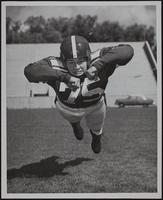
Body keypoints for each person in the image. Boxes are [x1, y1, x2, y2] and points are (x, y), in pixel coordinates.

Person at [24, 35, 134, 154]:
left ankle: (96, 137)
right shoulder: (56, 65)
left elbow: (128, 51)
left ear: (88, 57)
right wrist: (64, 77)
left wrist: (98, 65)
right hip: (67, 107)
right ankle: (75, 124)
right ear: (63, 60)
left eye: (81, 61)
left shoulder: (99, 59)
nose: (76, 67)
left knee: (96, 128)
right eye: (71, 62)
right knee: (73, 119)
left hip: (95, 106)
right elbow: (30, 72)